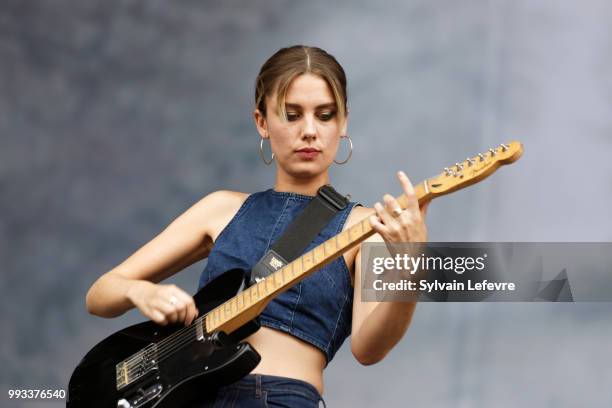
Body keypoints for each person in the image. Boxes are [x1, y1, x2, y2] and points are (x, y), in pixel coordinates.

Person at [85, 45, 429, 408]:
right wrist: (143, 293)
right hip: (192, 397)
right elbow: (100, 295)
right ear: (261, 122)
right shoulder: (220, 209)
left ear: (343, 123)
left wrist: (412, 264)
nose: (310, 131)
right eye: (291, 115)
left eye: (325, 115)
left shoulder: (368, 226)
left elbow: (369, 348)